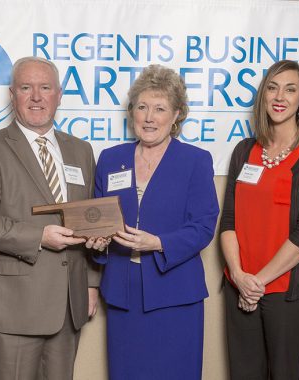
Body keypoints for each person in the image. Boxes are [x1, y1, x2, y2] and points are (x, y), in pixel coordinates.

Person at [0, 56, 104, 380]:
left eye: (45, 87)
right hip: (13, 308)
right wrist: (38, 237)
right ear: (13, 94)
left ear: (59, 94)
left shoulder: (81, 151)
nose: (36, 97)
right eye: (27, 88)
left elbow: (91, 218)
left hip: (69, 303)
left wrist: (92, 283)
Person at [92, 64, 219, 380]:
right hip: (123, 295)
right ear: (132, 111)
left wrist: (159, 243)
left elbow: (204, 225)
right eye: (142, 107)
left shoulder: (195, 160)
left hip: (175, 295)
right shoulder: (110, 158)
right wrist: (97, 244)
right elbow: (97, 221)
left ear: (176, 114)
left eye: (159, 109)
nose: (149, 117)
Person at [219, 60, 299, 380]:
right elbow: (228, 221)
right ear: (263, 96)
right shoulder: (244, 151)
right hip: (239, 284)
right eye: (272, 87)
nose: (279, 96)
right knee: (243, 373)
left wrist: (258, 282)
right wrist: (240, 277)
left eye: (290, 89)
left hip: (287, 291)